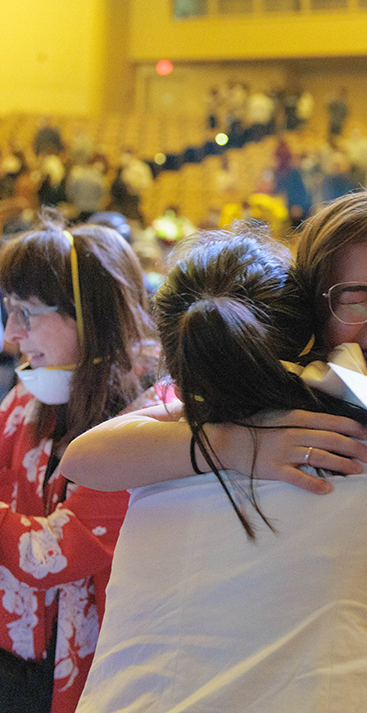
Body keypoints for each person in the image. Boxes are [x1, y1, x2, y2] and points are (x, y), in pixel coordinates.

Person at [62, 191, 367, 711]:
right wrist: (238, 444)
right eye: (353, 298)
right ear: (311, 317)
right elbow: (86, 456)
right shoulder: (243, 403)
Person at [0, 218, 159, 713]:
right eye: (8, 312)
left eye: (26, 313)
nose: (11, 334)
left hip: (89, 672)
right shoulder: (25, 402)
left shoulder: (147, 420)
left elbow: (52, 553)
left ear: (88, 316)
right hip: (17, 656)